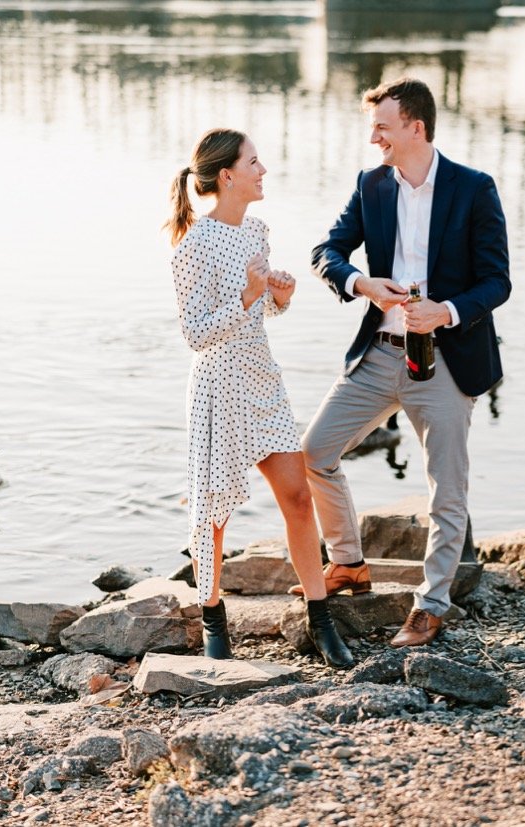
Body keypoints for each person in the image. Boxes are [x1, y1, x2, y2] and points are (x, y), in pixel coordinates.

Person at [302, 78, 511, 647]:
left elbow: (497, 281)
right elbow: (326, 252)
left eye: (383, 128)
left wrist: (444, 311)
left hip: (445, 360)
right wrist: (360, 282)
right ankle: (347, 563)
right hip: (378, 355)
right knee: (314, 453)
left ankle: (433, 602)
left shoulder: (473, 189)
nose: (374, 139)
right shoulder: (371, 187)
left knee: (446, 487)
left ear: (415, 127)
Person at [165, 128, 354, 668]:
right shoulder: (191, 246)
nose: (263, 170)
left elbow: (260, 314)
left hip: (262, 379)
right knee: (214, 509)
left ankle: (321, 622)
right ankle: (212, 617)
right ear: (228, 176)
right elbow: (196, 336)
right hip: (218, 386)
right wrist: (248, 296)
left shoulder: (258, 232)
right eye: (254, 162)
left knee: (297, 499)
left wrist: (279, 299)